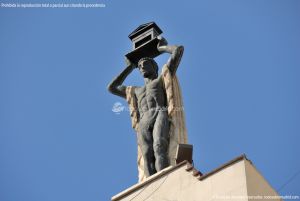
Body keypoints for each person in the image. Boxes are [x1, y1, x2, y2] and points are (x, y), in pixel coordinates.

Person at [108, 36, 184, 177]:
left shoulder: (161, 79)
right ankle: (150, 184)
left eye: (145, 63)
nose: (142, 66)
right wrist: (130, 67)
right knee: (147, 154)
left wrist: (161, 48)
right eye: (140, 65)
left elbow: (178, 50)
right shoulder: (135, 90)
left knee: (159, 146)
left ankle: (164, 178)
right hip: (144, 120)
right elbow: (112, 87)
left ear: (154, 67)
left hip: (159, 113)